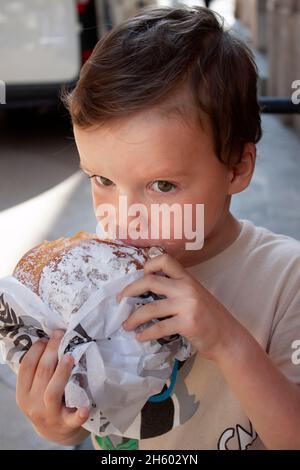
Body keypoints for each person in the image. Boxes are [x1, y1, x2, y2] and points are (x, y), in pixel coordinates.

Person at [15, 6, 300, 450]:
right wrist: (60, 425)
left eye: (162, 185)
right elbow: (90, 418)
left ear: (237, 168)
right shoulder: (94, 280)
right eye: (103, 180)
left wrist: (227, 341)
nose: (126, 217)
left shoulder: (286, 279)